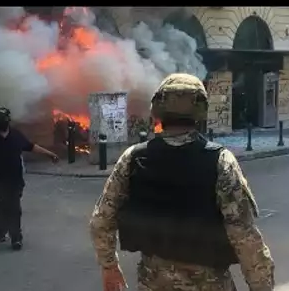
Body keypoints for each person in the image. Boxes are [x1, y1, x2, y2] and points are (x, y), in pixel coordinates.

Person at [89, 73, 275, 291]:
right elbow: (244, 235)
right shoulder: (220, 161)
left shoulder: (133, 158)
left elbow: (101, 220)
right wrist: (261, 286)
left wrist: (109, 267)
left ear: (157, 108)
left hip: (153, 283)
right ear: (200, 110)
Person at [0, 107, 59, 250]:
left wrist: (50, 154)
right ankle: (1, 228)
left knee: (15, 209)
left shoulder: (16, 136)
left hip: (15, 181)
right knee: (0, 209)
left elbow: (31, 147)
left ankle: (16, 238)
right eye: (0, 120)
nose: (2, 123)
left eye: (4, 120)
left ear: (9, 121)